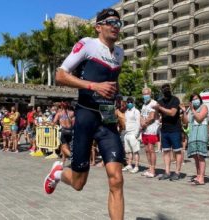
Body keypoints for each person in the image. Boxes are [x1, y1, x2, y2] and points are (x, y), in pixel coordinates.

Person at [43, 8, 125, 219]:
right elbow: (61, 75)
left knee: (116, 179)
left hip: (107, 119)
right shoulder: (88, 44)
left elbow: (111, 86)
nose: (115, 26)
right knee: (79, 183)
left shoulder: (120, 53)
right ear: (98, 27)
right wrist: (93, 86)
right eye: (110, 22)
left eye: (118, 23)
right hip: (86, 116)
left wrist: (117, 108)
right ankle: (59, 173)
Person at [153, 84, 183, 181]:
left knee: (177, 151)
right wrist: (155, 110)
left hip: (175, 129)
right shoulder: (160, 101)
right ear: (162, 91)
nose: (166, 90)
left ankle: (177, 172)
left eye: (168, 89)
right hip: (165, 130)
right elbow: (156, 117)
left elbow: (172, 113)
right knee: (166, 151)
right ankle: (167, 172)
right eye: (164, 89)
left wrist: (160, 108)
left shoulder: (175, 99)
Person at [183, 93, 209, 185]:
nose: (195, 100)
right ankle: (198, 175)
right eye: (193, 99)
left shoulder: (204, 107)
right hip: (193, 135)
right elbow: (186, 122)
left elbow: (199, 118)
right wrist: (185, 112)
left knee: (201, 156)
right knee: (195, 156)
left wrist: (193, 110)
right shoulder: (190, 110)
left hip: (201, 134)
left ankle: (202, 178)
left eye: (197, 98)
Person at [140, 87, 159, 178]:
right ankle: (149, 167)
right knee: (146, 150)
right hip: (144, 130)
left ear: (150, 94)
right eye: (144, 94)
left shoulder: (154, 103)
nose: (145, 95)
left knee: (151, 149)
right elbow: (141, 115)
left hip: (151, 130)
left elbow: (151, 117)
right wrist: (141, 123)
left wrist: (144, 124)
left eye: (147, 94)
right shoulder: (144, 104)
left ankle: (153, 170)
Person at [122, 97, 141, 173]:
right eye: (128, 102)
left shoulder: (136, 111)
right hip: (127, 133)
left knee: (135, 151)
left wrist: (136, 134)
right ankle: (129, 164)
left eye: (131, 102)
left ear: (133, 103)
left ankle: (136, 166)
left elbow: (138, 123)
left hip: (134, 133)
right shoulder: (126, 112)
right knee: (129, 151)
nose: (129, 103)